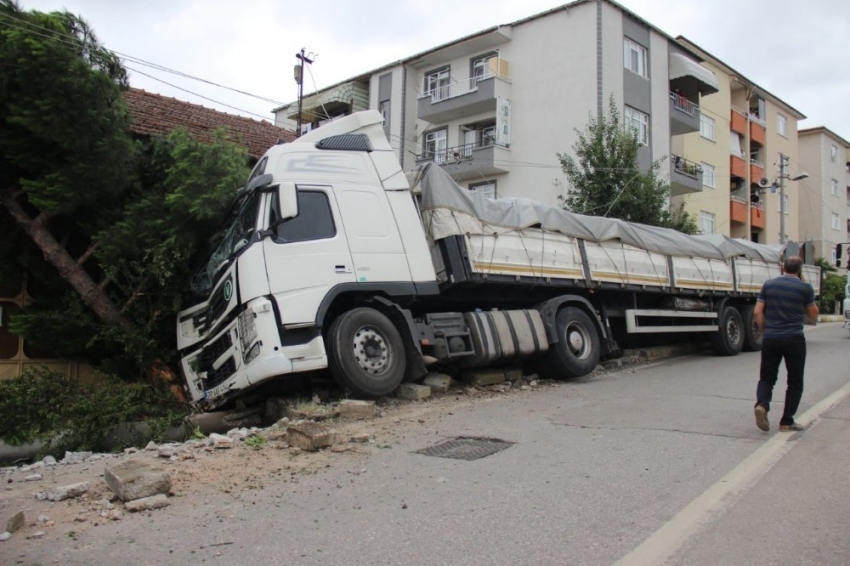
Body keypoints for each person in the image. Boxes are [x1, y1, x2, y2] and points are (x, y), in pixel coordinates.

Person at [753, 256, 818, 432]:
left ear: (783, 268)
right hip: (794, 339)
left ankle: (762, 404)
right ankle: (786, 422)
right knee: (795, 381)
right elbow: (813, 314)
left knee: (767, 377)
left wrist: (764, 330)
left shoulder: (769, 284)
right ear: (799, 269)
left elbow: (758, 311)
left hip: (771, 338)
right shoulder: (805, 287)